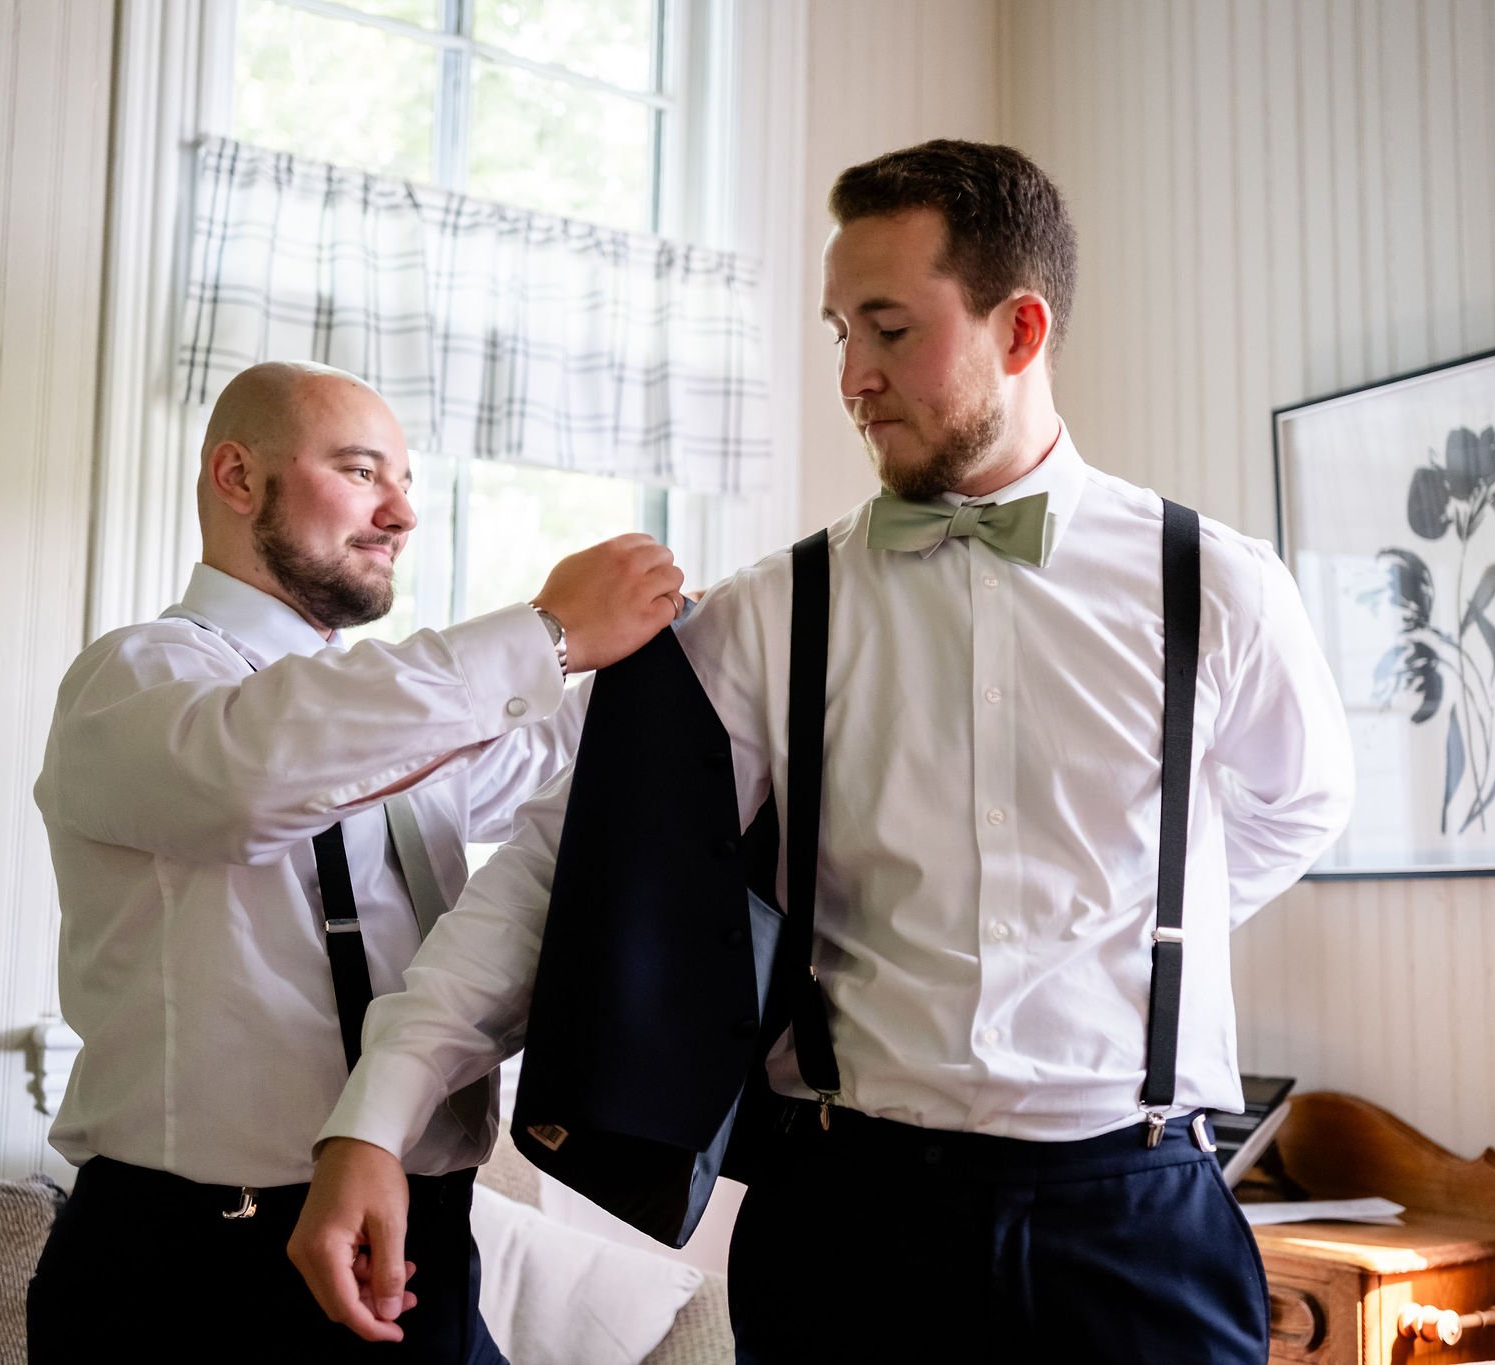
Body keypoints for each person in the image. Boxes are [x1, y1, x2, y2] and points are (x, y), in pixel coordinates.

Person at [293, 141, 1355, 1362]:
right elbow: (558, 873)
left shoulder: (1214, 586)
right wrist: (374, 1121)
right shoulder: (762, 619)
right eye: (836, 331)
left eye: (889, 329)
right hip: (854, 1230)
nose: (851, 376)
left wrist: (1125, 940)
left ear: (1019, 329)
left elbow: (1291, 812)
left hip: (1140, 1220)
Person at [24, 361, 685, 1363]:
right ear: (238, 477)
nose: (400, 513)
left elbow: (562, 756)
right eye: (362, 471)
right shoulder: (140, 681)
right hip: (195, 1270)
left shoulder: (395, 719)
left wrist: (725, 633)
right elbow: (255, 776)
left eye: (409, 483)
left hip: (421, 1239)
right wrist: (545, 636)